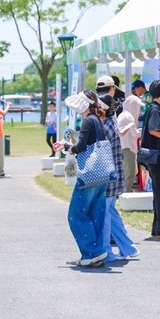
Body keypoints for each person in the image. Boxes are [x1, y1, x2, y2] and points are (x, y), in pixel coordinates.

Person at [53, 91, 108, 267]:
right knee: (95, 213)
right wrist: (69, 145)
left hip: (89, 174)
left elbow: (82, 146)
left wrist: (69, 148)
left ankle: (91, 252)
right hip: (102, 173)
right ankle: (97, 251)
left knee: (75, 214)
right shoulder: (97, 120)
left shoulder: (87, 120)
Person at [96, 91, 138, 262]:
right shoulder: (111, 122)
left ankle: (107, 252)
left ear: (104, 109)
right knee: (111, 214)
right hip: (115, 175)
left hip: (109, 177)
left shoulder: (105, 125)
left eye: (98, 105)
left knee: (105, 215)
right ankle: (129, 248)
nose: (95, 108)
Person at [140, 80, 160, 239]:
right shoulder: (156, 109)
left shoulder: (152, 108)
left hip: (153, 157)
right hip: (156, 157)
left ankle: (158, 227)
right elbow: (154, 130)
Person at [118, 95, 143, 192]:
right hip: (128, 148)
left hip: (125, 147)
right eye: (138, 106)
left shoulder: (123, 115)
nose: (139, 110)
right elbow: (135, 134)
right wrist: (145, 131)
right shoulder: (129, 117)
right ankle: (126, 193)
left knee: (128, 172)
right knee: (130, 173)